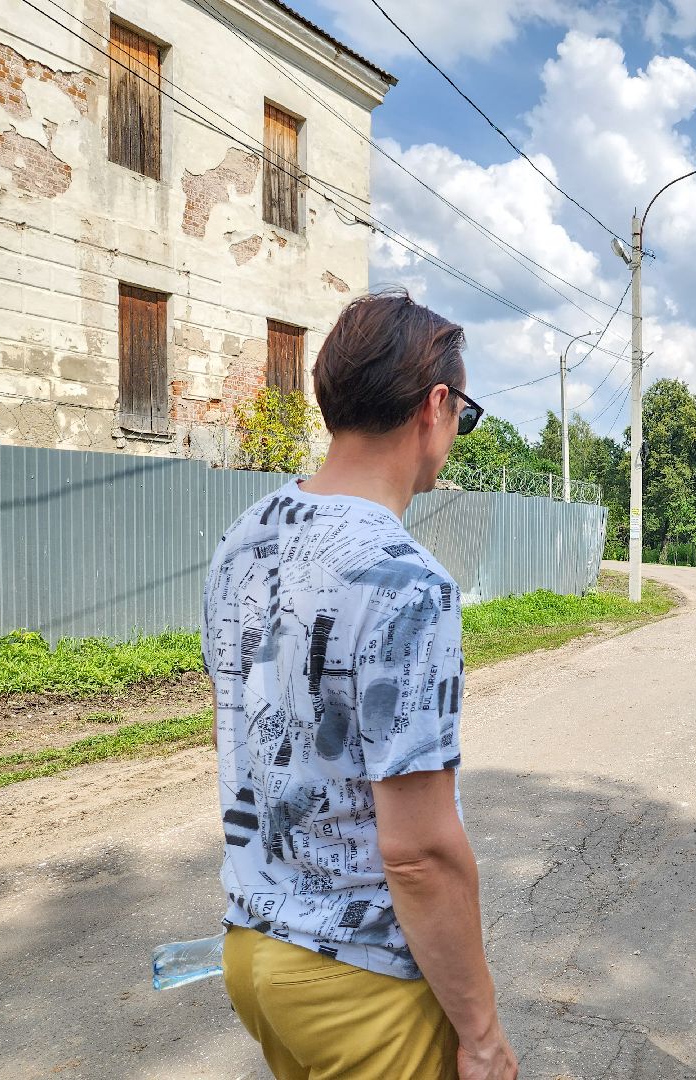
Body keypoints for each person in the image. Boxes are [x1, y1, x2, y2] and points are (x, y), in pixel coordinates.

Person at [202, 290, 517, 1080]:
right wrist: (480, 1032)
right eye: (463, 415)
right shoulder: (405, 579)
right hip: (361, 983)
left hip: (253, 954)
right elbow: (417, 852)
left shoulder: (241, 540)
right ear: (436, 405)